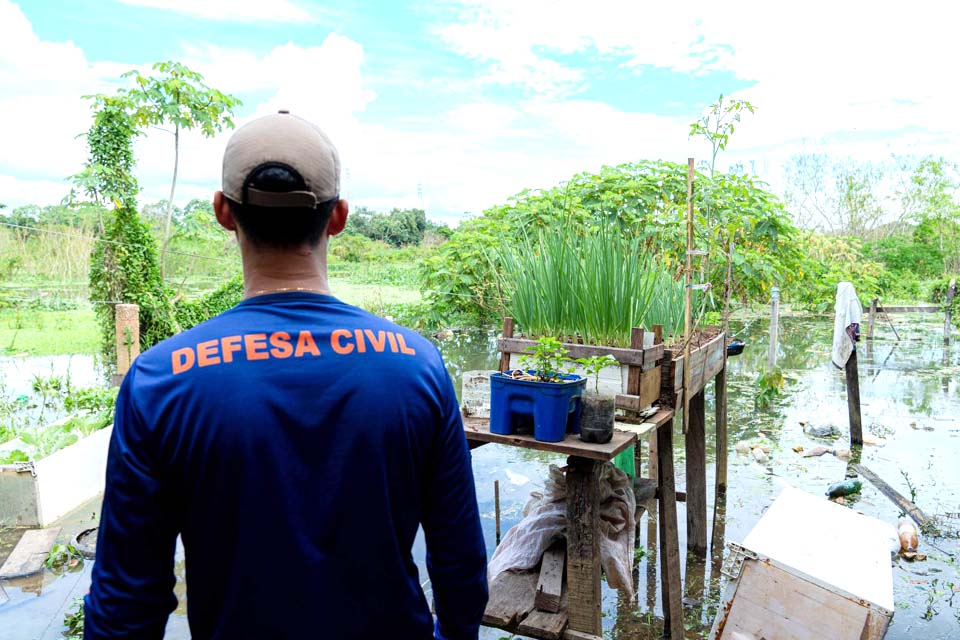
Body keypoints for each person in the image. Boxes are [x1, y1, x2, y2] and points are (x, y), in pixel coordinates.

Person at [85, 111, 488, 639]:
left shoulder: (161, 380)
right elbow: (459, 565)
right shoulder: (418, 366)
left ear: (223, 212)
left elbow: (126, 601)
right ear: (339, 216)